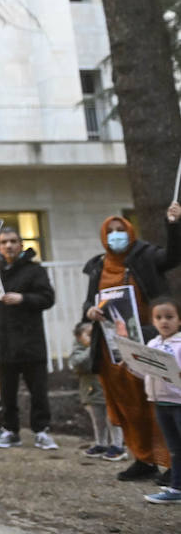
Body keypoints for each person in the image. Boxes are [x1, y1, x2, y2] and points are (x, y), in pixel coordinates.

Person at [80, 203, 181, 483]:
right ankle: (144, 458)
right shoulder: (98, 266)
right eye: (110, 232)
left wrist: (173, 225)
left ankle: (174, 464)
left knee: (158, 401)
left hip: (149, 342)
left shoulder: (145, 256)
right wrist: (91, 310)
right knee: (129, 406)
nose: (116, 236)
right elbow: (89, 301)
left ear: (130, 232)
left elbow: (174, 256)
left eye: (120, 230)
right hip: (113, 348)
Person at [0, 227, 58, 450]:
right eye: (4, 242)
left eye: (13, 241)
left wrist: (23, 298)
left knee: (38, 391)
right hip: (3, 342)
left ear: (20, 243)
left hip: (30, 342)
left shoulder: (34, 271)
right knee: (7, 392)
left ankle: (41, 430)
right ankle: (10, 430)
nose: (8, 246)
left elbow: (47, 298)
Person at [143, 298, 181, 504]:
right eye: (158, 317)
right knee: (174, 448)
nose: (164, 321)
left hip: (178, 403)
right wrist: (131, 364)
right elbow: (146, 373)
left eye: (169, 317)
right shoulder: (152, 344)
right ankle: (176, 488)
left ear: (179, 320)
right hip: (160, 403)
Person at [70, 321, 123, 460]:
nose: (95, 338)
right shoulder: (79, 351)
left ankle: (118, 445)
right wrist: (92, 348)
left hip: (110, 391)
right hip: (92, 392)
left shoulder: (108, 350)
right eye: (90, 335)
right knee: (98, 420)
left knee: (113, 419)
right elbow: (79, 364)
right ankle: (101, 443)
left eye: (97, 335)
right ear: (78, 338)